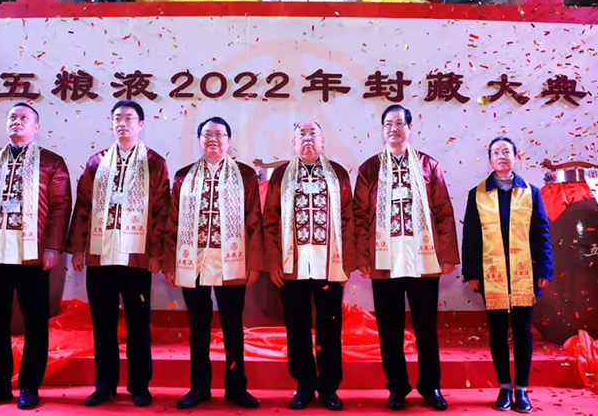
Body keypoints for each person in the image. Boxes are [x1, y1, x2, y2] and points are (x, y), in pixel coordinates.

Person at [0, 102, 72, 411]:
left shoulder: (51, 162)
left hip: (32, 256)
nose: (17, 121)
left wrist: (53, 247)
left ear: (36, 127)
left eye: (24, 118)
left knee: (35, 322)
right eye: (12, 117)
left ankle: (29, 385)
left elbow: (61, 206)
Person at [353, 104, 459, 411]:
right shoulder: (369, 169)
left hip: (423, 259)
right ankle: (397, 387)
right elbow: (359, 215)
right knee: (389, 329)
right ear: (382, 130)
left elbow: (443, 211)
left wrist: (447, 255)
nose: (394, 129)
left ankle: (430, 386)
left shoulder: (428, 165)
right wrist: (362, 257)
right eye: (388, 124)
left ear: (410, 128)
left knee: (426, 327)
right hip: (384, 261)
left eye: (400, 124)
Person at [68, 100, 170, 408]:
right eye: (117, 118)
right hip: (100, 256)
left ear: (141, 124)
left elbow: (162, 210)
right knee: (103, 324)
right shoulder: (96, 162)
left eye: (129, 118)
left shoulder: (154, 163)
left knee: (138, 324)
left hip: (137, 258)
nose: (122, 123)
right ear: (111, 124)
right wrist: (78, 248)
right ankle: (104, 385)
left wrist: (156, 253)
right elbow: (83, 205)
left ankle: (140, 386)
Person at [164, 116, 264, 410]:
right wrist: (170, 263)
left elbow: (253, 220)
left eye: (219, 134)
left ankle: (236, 387)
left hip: (232, 260)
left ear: (229, 140)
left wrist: (254, 263)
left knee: (233, 327)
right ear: (199, 140)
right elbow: (172, 221)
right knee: (198, 328)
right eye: (207, 134)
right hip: (192, 261)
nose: (213, 139)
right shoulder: (183, 177)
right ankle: (199, 387)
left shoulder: (245, 175)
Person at [262, 121, 355, 411]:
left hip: (330, 264)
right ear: (293, 143)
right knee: (297, 327)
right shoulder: (281, 175)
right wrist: (273, 262)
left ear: (323, 141)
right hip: (292, 265)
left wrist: (346, 263)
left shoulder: (338, 174)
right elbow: (269, 219)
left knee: (330, 327)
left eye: (312, 133)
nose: (307, 138)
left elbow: (348, 218)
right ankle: (303, 385)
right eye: (301, 134)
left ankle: (329, 388)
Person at [461, 136, 553, 413]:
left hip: (525, 271)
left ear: (516, 156)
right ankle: (504, 387)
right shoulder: (477, 194)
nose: (501, 156)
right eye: (496, 152)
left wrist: (544, 268)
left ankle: (521, 389)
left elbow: (542, 232)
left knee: (523, 329)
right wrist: (471, 271)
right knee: (498, 330)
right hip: (492, 273)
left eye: (506, 151)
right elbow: (471, 236)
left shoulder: (530, 192)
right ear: (490, 159)